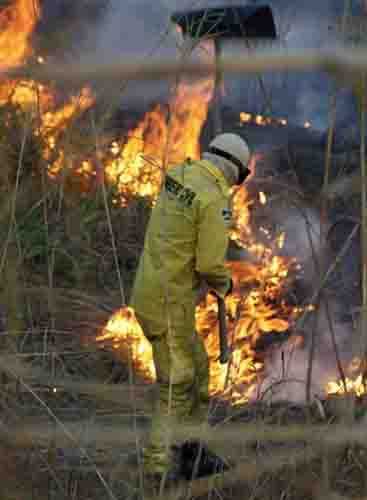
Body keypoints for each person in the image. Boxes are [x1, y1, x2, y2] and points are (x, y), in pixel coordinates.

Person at [129, 132, 252, 483]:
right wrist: (225, 284)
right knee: (178, 381)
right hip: (169, 302)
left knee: (198, 369)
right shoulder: (215, 200)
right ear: (235, 170)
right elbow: (210, 264)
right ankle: (159, 467)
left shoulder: (178, 175)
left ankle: (191, 450)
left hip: (154, 292)